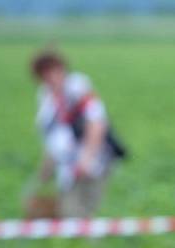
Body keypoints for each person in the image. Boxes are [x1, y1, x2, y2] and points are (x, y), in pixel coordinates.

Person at [31, 49, 123, 218]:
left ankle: (88, 243)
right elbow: (52, 137)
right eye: (44, 74)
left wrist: (86, 158)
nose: (50, 78)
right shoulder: (45, 97)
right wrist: (46, 168)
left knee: (76, 211)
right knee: (67, 210)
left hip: (92, 163)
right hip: (66, 166)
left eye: (53, 71)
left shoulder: (78, 89)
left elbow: (96, 123)